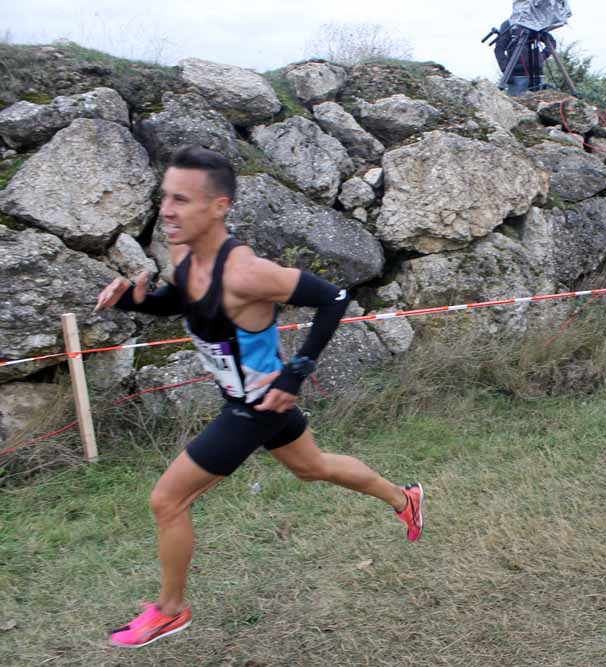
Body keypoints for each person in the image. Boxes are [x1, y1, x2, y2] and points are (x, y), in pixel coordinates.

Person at [94, 145, 424, 648]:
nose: (166, 210)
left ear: (218, 207)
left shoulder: (246, 273)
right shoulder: (182, 255)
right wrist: (140, 302)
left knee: (167, 500)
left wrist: (296, 372)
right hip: (254, 403)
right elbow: (185, 304)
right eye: (165, 197)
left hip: (256, 407)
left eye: (181, 199)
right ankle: (406, 498)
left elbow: (335, 299)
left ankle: (170, 610)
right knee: (315, 468)